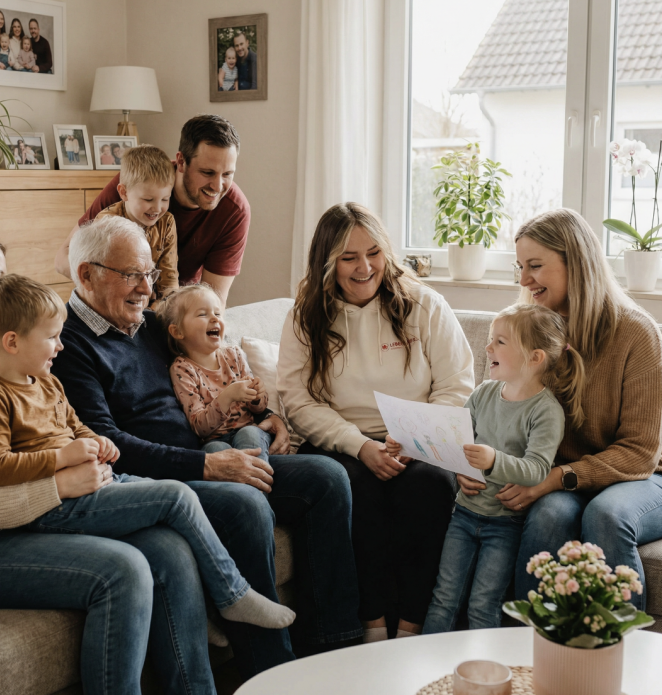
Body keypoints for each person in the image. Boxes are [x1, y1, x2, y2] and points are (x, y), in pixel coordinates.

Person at [0, 225, 230, 694]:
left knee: (167, 547)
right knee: (123, 568)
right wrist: (59, 485)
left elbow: (60, 423)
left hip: (17, 525)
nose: (5, 289)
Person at [51, 216, 362, 680]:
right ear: (87, 275)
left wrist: (264, 415)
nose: (144, 288)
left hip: (211, 450)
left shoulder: (149, 324)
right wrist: (207, 464)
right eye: (131, 275)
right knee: (244, 506)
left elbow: (217, 368)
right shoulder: (69, 346)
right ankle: (271, 673)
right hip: (158, 476)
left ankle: (332, 648)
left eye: (149, 274)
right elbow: (107, 442)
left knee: (327, 477)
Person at [0, 273, 294, 632]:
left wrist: (97, 441)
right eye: (52, 338)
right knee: (177, 497)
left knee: (174, 525)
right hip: (57, 505)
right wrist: (62, 458)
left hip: (102, 480)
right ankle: (232, 595)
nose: (60, 347)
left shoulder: (46, 380)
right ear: (12, 342)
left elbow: (76, 425)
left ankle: (212, 604)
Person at [276, 202, 475, 643]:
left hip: (418, 439)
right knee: (352, 489)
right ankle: (370, 627)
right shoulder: (305, 314)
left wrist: (415, 437)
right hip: (342, 441)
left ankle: (410, 627)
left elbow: (458, 384)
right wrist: (358, 445)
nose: (365, 267)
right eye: (348, 257)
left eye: (373, 253)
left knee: (430, 488)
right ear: (326, 262)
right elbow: (298, 399)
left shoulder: (425, 304)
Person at [456, 208, 662, 611]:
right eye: (519, 266)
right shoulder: (529, 332)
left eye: (535, 265)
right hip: (555, 477)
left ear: (578, 263)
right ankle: (529, 651)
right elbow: (498, 415)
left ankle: (624, 652)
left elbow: (640, 452)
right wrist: (471, 466)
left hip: (637, 478)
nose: (523, 279)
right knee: (549, 515)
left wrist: (557, 477)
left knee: (606, 515)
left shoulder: (637, 333)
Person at [420, 304, 583, 633]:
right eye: (491, 340)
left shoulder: (546, 411)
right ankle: (429, 676)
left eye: (500, 342)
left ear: (534, 358)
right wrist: (454, 468)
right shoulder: (482, 394)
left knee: (483, 603)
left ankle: (488, 677)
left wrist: (493, 460)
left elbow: (537, 469)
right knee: (443, 597)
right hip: (463, 515)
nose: (487, 347)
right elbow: (455, 441)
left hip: (505, 526)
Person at [55, 115, 251, 305]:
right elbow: (64, 258)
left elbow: (213, 301)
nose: (218, 186)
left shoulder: (234, 211)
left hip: (172, 305)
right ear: (181, 162)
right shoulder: (137, 185)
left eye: (227, 174)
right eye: (207, 172)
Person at [159, 284, 271, 464]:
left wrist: (258, 396)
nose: (214, 319)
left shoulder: (234, 355)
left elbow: (259, 408)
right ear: (177, 331)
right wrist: (227, 397)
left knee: (250, 433)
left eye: (218, 314)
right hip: (214, 440)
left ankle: (256, 483)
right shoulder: (183, 369)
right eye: (203, 314)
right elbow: (199, 427)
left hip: (248, 431)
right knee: (212, 450)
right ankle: (243, 490)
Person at [94, 144, 179, 306]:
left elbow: (169, 278)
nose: (157, 208)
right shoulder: (107, 222)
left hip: (149, 300)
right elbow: (102, 281)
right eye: (148, 200)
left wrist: (165, 305)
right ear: (124, 192)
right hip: (112, 301)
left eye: (165, 199)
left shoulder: (166, 223)